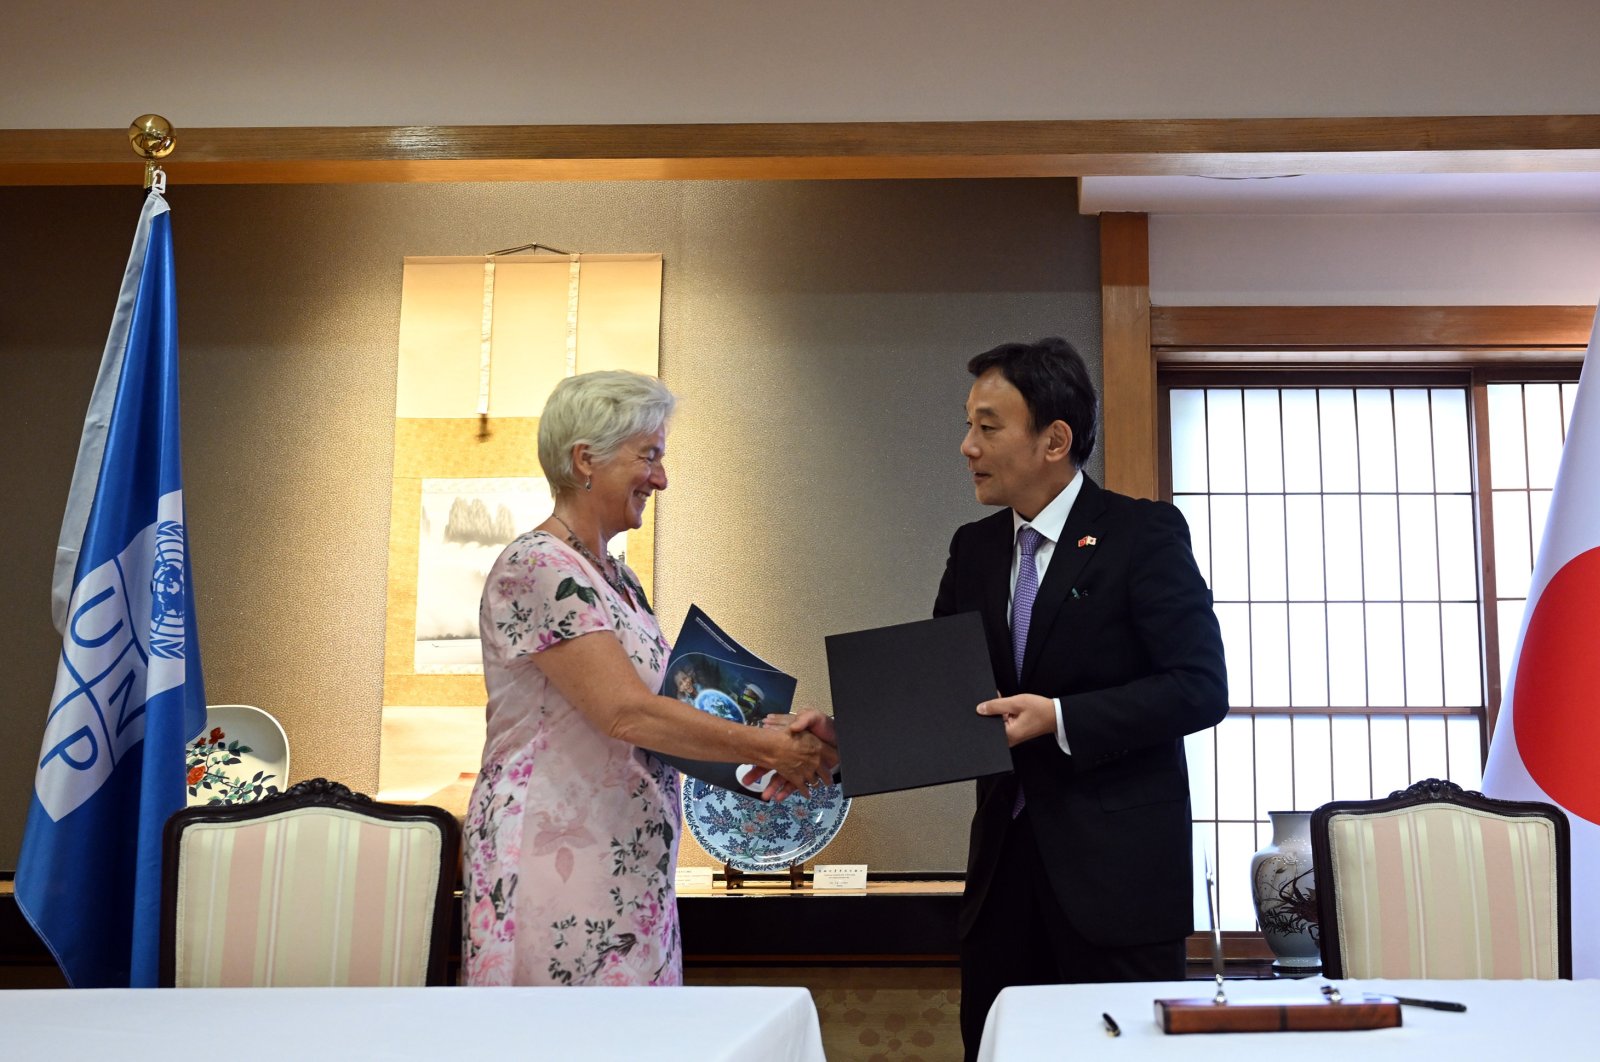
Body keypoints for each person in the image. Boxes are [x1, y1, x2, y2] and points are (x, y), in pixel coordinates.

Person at [462, 370, 837, 987]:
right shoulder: (536, 566)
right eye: (650, 456)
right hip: (559, 858)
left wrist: (779, 739)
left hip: (626, 858)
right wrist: (769, 749)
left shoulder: (620, 580)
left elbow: (664, 713)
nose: (661, 477)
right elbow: (626, 714)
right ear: (586, 459)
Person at [938, 337, 1227, 1059]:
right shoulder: (972, 549)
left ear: (1054, 439)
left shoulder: (1143, 533)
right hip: (1002, 886)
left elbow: (1200, 686)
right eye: (969, 426)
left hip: (1119, 886)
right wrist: (848, 733)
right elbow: (942, 698)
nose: (966, 446)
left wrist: (1059, 718)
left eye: (987, 426)